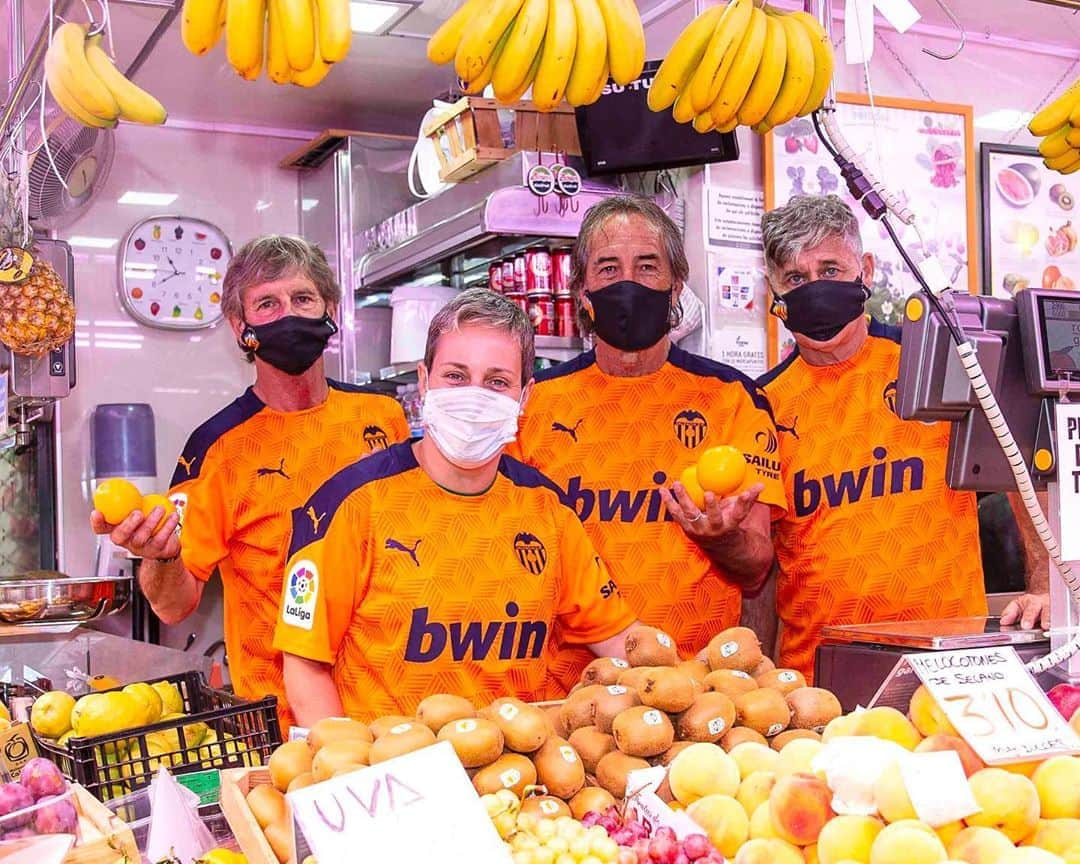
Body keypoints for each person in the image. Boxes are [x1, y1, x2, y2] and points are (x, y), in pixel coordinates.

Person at [274, 289, 640, 724]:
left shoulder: (549, 511)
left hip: (513, 774)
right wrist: (349, 771)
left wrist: (700, 680)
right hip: (390, 773)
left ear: (525, 397)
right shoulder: (350, 505)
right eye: (456, 376)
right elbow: (305, 663)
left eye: (497, 382)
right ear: (425, 380)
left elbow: (616, 636)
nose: (474, 396)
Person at [91, 235, 409, 729]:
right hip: (284, 729)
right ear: (241, 328)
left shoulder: (384, 418)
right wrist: (160, 555)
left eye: (303, 299)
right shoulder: (217, 450)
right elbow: (174, 604)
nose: (289, 314)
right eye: (268, 303)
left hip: (397, 711)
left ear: (330, 309)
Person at [756, 194, 1048, 681]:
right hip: (817, 675)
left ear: (865, 269)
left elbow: (1023, 471)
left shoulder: (936, 365)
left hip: (954, 660)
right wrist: (761, 672)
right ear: (775, 290)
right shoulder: (761, 405)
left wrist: (1044, 585)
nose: (814, 289)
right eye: (795, 278)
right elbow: (760, 558)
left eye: (830, 270)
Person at [513, 195, 786, 688]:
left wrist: (723, 538)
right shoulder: (531, 406)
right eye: (609, 267)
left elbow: (758, 566)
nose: (629, 283)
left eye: (647, 266)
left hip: (701, 687)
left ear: (676, 284)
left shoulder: (733, 400)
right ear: (582, 291)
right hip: (564, 691)